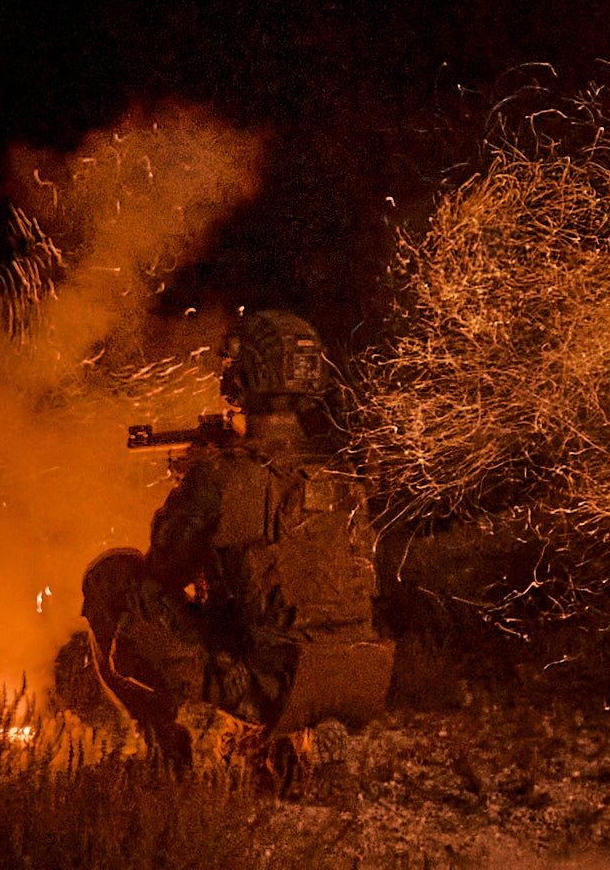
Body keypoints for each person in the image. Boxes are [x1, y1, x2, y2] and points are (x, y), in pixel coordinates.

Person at [69, 309, 394, 782]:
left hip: (272, 683)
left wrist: (191, 482)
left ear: (244, 376)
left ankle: (166, 754)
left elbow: (163, 569)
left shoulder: (222, 476)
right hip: (362, 676)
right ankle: (286, 748)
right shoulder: (347, 469)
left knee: (112, 580)